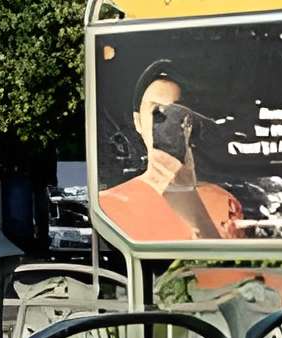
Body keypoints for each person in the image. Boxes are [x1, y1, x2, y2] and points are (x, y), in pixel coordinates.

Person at [94, 71, 245, 244]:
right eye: (156, 112)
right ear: (138, 121)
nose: (167, 124)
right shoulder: (108, 205)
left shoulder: (223, 202)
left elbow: (231, 267)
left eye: (176, 113)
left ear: (188, 123)